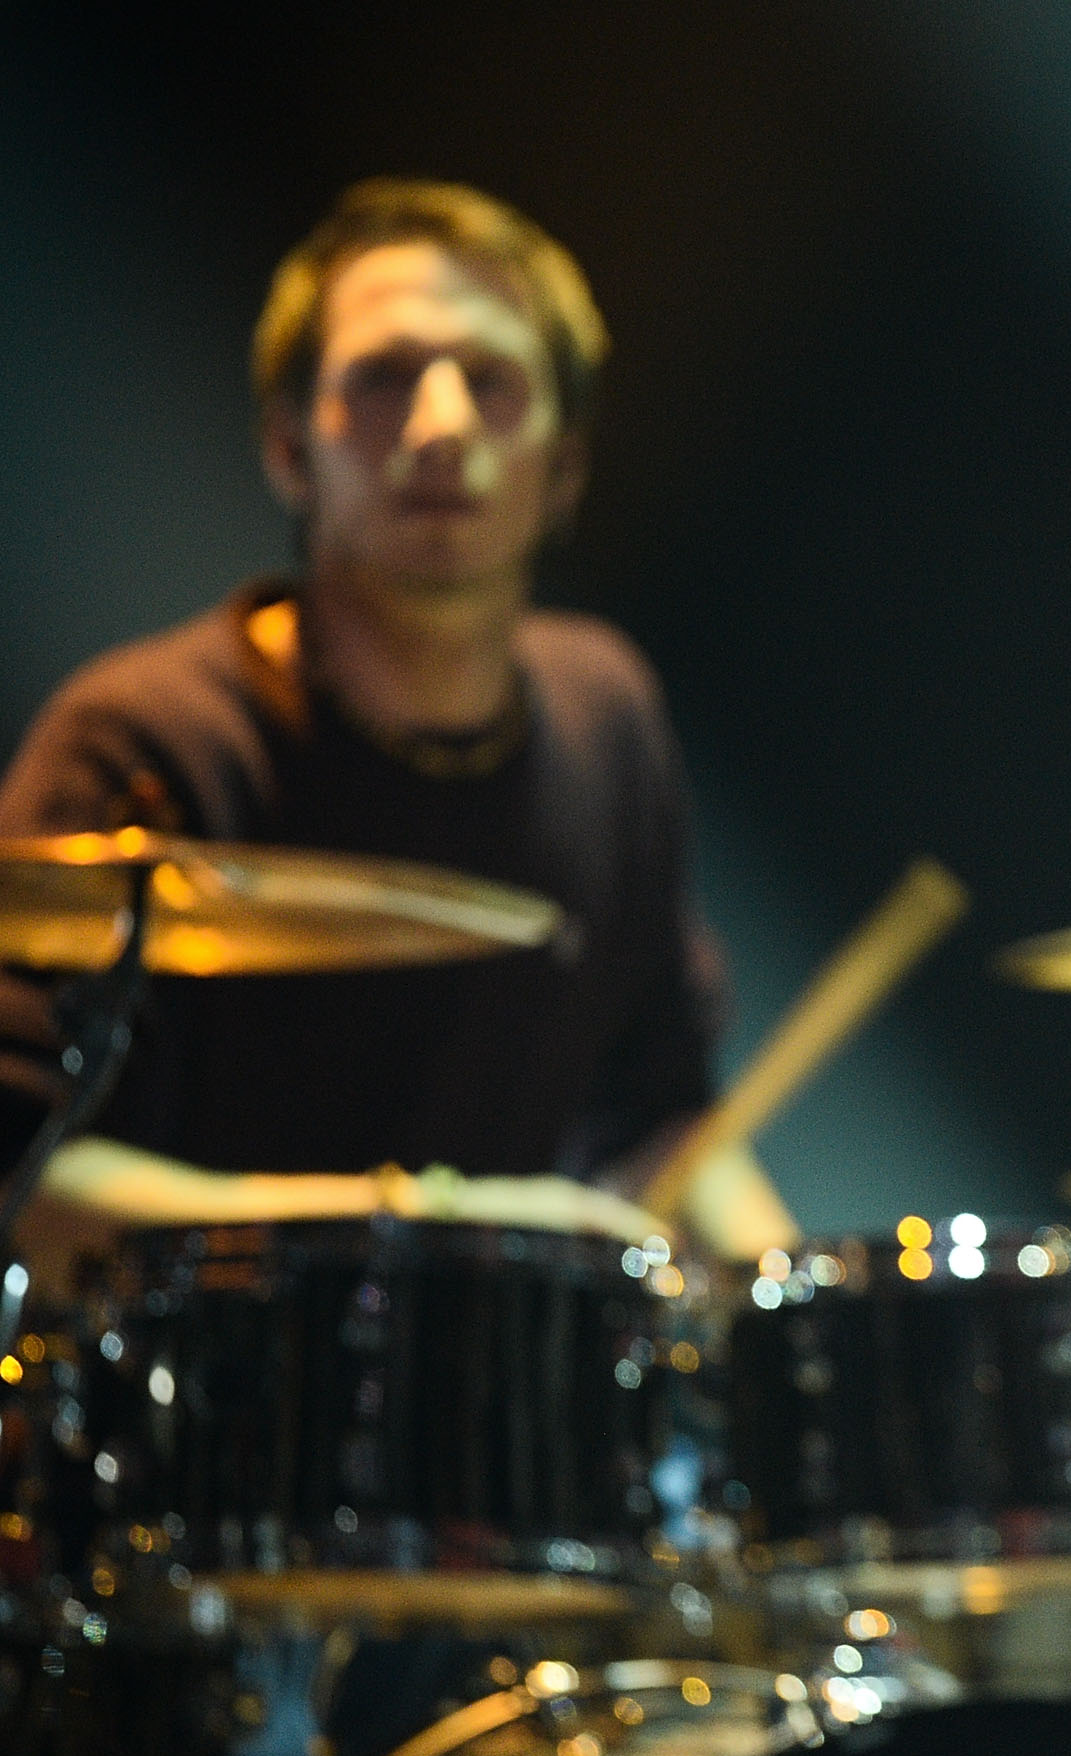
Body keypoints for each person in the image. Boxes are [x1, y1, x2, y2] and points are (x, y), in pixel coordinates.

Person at [0, 178, 791, 1266]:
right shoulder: (141, 737)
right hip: (185, 1414)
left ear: (564, 469)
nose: (439, 424)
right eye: (382, 378)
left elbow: (662, 1127)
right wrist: (431, 1227)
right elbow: (28, 1173)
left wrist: (801, 1312)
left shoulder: (609, 718)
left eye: (492, 381)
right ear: (289, 452)